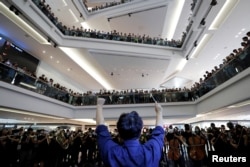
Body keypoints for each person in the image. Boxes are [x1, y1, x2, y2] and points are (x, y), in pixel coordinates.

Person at [95, 98, 164, 167]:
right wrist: (159, 112)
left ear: (119, 132)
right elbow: (159, 131)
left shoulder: (111, 151)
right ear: (140, 132)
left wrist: (99, 105)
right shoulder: (151, 151)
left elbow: (101, 129)